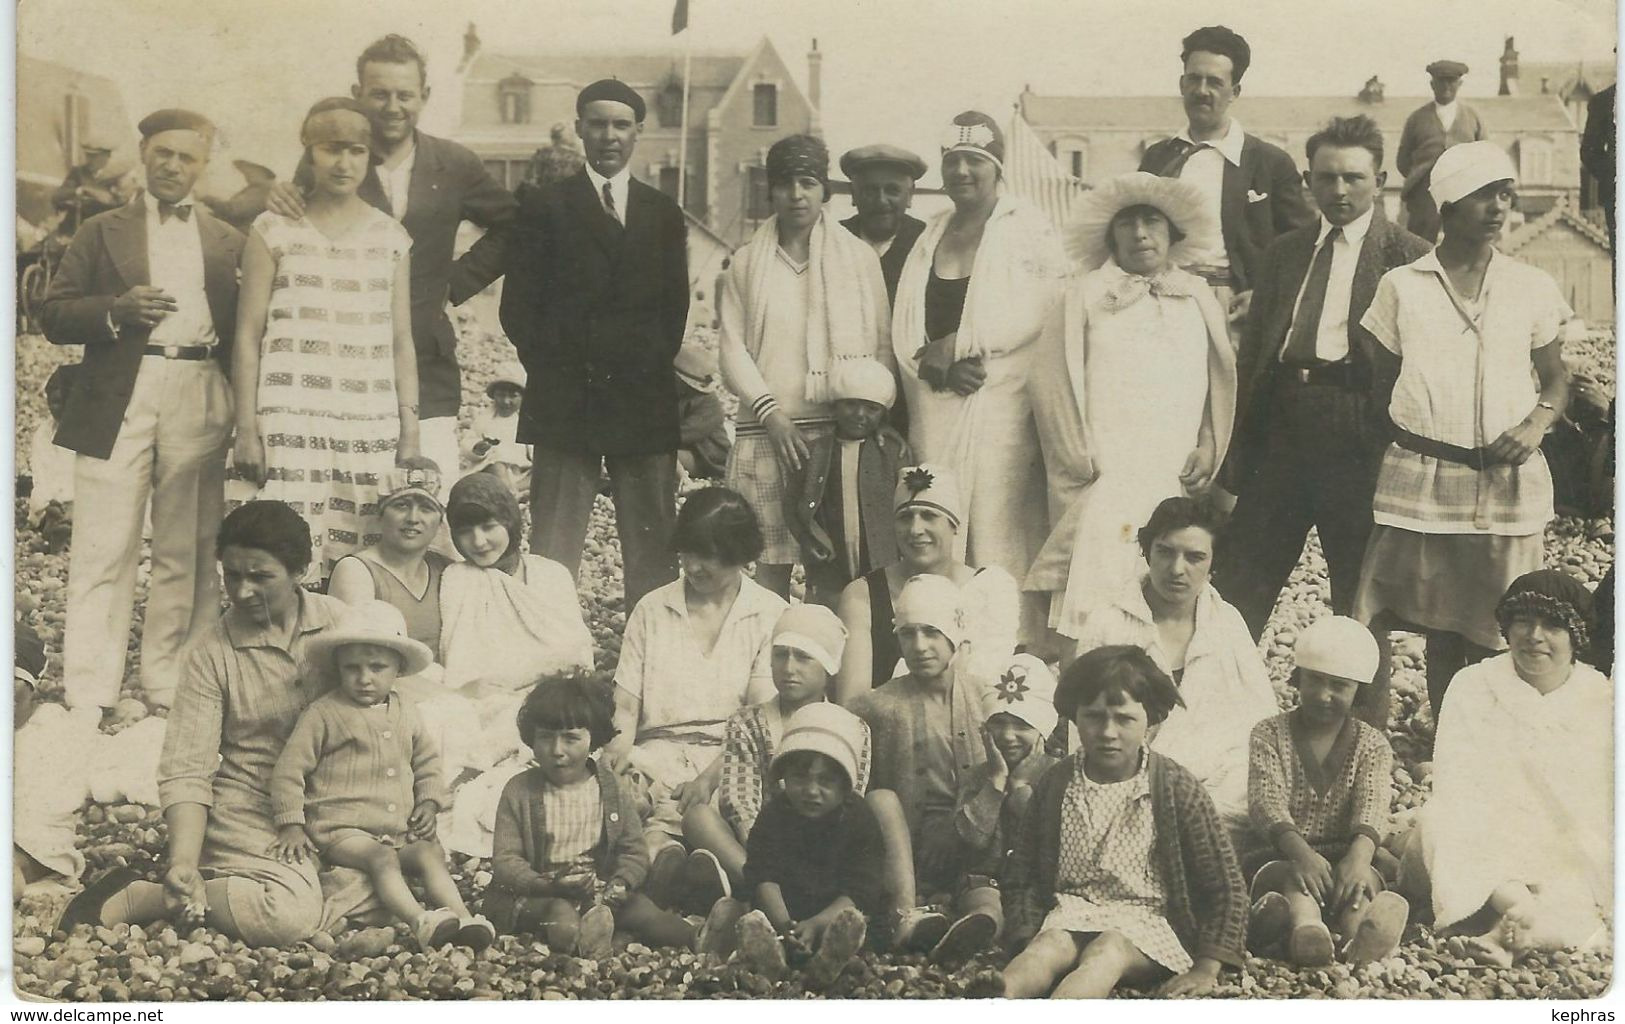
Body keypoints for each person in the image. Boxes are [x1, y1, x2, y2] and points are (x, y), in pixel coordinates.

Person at [59, 502, 375, 946]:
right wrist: (182, 863)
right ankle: (142, 896)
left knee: (404, 873)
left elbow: (386, 713)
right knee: (286, 919)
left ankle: (284, 888)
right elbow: (187, 768)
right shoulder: (212, 653)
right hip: (253, 803)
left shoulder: (342, 625)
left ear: (301, 570)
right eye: (232, 575)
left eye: (261, 577)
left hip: (338, 796)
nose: (242, 591)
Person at [1218, 116, 1433, 732]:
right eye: (1326, 178)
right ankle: (1217, 713)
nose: (1339, 191)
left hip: (1357, 430)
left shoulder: (1409, 259)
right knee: (1240, 583)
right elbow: (1256, 351)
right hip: (1283, 425)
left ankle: (1361, 736)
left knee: (1359, 594)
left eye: (1353, 178)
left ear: (1381, 181)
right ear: (1308, 180)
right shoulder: (1285, 253)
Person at [1352, 141, 1573, 721]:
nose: (1497, 207)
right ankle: (1443, 727)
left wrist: (1535, 423)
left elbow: (1555, 379)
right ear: (1446, 206)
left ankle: (1497, 731)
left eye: (1504, 194)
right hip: (1423, 480)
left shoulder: (1531, 285)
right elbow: (1381, 383)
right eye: (1482, 195)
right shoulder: (1402, 286)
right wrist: (1424, 434)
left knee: (1501, 617)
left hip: (1509, 482)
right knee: (1430, 615)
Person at [40, 107, 243, 714]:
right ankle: (89, 687)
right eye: (162, 154)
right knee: (104, 541)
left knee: (187, 543)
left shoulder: (226, 237)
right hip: (118, 387)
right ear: (144, 157)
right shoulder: (101, 229)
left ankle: (169, 679)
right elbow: (52, 314)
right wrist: (116, 308)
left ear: (203, 166)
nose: (172, 166)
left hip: (198, 383)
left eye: (186, 157)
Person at [262, 35, 516, 497]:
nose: (393, 107)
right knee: (345, 499)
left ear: (425, 97)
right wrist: (277, 194)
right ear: (358, 93)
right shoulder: (329, 160)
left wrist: (454, 282)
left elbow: (515, 225)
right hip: (339, 368)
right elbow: (288, 227)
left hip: (423, 356)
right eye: (380, 94)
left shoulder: (453, 163)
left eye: (405, 95)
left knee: (426, 494)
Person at [498, 78, 690, 615]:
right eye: (598, 124)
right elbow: (518, 311)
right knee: (554, 546)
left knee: (653, 546)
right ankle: (547, 644)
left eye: (621, 125)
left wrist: (636, 368)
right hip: (566, 397)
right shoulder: (545, 206)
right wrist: (562, 373)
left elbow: (673, 313)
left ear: (638, 133)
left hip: (641, 398)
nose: (609, 136)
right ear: (580, 128)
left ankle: (653, 650)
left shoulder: (661, 212)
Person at [1026, 171, 1235, 634]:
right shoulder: (1085, 295)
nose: (1140, 234)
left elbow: (1217, 381)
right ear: (1110, 234)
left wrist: (1208, 442)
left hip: (1171, 458)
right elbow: (1052, 381)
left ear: (1172, 231)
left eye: (1151, 222)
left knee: (1169, 564)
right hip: (1108, 461)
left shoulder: (1197, 296)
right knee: (1102, 572)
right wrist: (1077, 452)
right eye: (1127, 224)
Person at [892, 112, 1070, 643]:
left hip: (999, 403)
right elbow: (905, 321)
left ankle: (1008, 653)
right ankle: (935, 643)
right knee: (936, 517)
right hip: (937, 405)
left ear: (997, 168)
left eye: (976, 161)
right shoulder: (932, 233)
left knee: (997, 526)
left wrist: (968, 347)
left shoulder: (1027, 226)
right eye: (954, 162)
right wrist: (931, 361)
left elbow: (1046, 305)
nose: (964, 171)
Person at [230, 98, 419, 585]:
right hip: (289, 413)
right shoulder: (273, 229)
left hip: (366, 420)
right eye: (331, 149)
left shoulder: (391, 237)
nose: (344, 163)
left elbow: (401, 340)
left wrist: (409, 432)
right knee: (278, 554)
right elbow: (248, 334)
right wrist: (247, 428)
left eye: (357, 151)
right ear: (309, 152)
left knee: (359, 560)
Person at [1000, 646, 1248, 999]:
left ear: (1151, 719)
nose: (1108, 732)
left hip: (1148, 924)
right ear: (1074, 717)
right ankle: (998, 996)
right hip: (1070, 912)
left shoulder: (1175, 787)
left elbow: (1225, 885)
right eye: (1094, 717)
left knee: (1106, 953)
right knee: (1044, 950)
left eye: (1124, 718)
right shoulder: (1057, 784)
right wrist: (1026, 933)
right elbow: (1021, 873)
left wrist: (1208, 965)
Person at [1397, 571, 1611, 966]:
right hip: (1485, 833)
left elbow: (1599, 800)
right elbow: (1457, 784)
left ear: (1576, 637)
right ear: (1507, 627)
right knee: (1439, 822)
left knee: (1591, 868)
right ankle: (1519, 908)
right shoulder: (1474, 684)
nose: (1534, 635)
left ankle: (1504, 933)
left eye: (1552, 625)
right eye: (1524, 621)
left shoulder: (1600, 697)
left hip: (1560, 841)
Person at [719, 133, 892, 599]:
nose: (796, 195)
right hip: (766, 433)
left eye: (808, 183)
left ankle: (836, 668)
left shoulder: (856, 259)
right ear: (770, 191)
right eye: (784, 184)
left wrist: (866, 419)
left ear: (824, 192)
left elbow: (879, 347)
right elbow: (732, 348)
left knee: (835, 568)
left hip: (835, 435)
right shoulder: (745, 263)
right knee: (767, 570)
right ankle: (765, 666)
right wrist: (770, 414)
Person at [269, 600, 495, 951]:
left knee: (427, 851)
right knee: (381, 858)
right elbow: (289, 770)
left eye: (377, 668)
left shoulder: (405, 710)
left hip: (395, 828)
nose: (364, 678)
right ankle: (420, 920)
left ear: (398, 670)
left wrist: (430, 802)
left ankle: (463, 917)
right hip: (340, 828)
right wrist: (291, 823)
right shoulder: (324, 714)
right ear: (338, 669)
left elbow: (427, 762)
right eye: (352, 668)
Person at [605, 488, 786, 882]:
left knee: (731, 811)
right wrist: (616, 753)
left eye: (711, 557)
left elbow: (762, 720)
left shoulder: (769, 614)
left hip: (733, 757)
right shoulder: (652, 609)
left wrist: (708, 779)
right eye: (688, 553)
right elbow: (626, 707)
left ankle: (703, 870)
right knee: (632, 802)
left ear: (741, 555)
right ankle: (669, 862)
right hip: (657, 752)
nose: (695, 567)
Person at [1071, 498, 1278, 829]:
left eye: (1195, 557)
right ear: (1147, 551)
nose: (1177, 569)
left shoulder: (1226, 622)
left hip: (1218, 787)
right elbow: (1082, 723)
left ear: (1213, 564)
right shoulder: (1108, 622)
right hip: (1126, 781)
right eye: (1165, 551)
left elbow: (1261, 721)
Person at [485, 671, 723, 958]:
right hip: (540, 893)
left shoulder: (609, 789)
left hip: (598, 891)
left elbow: (633, 849)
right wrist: (546, 885)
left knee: (643, 909)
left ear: (594, 739)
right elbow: (506, 860)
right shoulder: (519, 791)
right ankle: (584, 943)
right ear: (531, 739)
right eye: (546, 738)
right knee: (559, 915)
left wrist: (622, 882)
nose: (557, 750)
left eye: (571, 739)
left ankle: (701, 938)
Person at [1244, 617, 1408, 967]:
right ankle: (1307, 930)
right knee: (1296, 886)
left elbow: (1373, 802)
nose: (1323, 694)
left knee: (1358, 891)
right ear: (1298, 678)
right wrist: (1300, 854)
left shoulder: (1371, 744)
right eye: (1315, 680)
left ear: (1358, 691)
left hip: (1347, 855)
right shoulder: (1269, 734)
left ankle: (1360, 939)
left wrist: (1359, 857)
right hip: (1287, 853)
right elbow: (1265, 800)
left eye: (1339, 686)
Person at [686, 603, 871, 900]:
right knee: (698, 817)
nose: (789, 668)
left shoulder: (851, 727)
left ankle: (747, 892)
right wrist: (763, 851)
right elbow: (740, 799)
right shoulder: (747, 722)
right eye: (781, 655)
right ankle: (758, 885)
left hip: (823, 849)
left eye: (803, 657)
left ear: (828, 667)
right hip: (760, 847)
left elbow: (849, 798)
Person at [1138, 26, 1315, 335]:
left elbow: (1303, 246)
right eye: (1194, 79)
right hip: (1159, 303)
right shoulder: (1157, 158)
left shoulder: (1269, 162)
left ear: (1234, 92)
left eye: (1215, 82)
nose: (1202, 90)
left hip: (1232, 306)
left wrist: (1264, 296)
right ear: (1182, 84)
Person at [850, 574, 991, 954]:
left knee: (984, 891)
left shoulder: (986, 699)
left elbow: (999, 777)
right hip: (903, 846)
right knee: (881, 799)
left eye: (931, 631)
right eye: (908, 634)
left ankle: (976, 921)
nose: (920, 646)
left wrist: (956, 827)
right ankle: (905, 913)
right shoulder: (875, 706)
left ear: (954, 634)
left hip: (971, 837)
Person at [833, 464, 1019, 702]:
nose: (915, 529)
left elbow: (991, 693)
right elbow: (853, 702)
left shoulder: (990, 590)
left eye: (929, 516)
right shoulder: (863, 594)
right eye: (905, 517)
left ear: (955, 525)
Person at [732, 703, 882, 990]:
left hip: (836, 913)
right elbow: (764, 875)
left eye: (825, 781)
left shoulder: (859, 819)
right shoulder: (774, 815)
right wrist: (787, 925)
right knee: (749, 921)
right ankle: (775, 957)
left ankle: (829, 960)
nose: (812, 790)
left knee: (854, 926)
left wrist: (816, 925)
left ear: (845, 785)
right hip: (786, 913)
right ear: (785, 776)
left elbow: (862, 887)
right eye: (800, 777)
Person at [939, 654, 1063, 967]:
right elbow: (971, 839)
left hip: (1038, 882)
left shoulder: (1058, 774)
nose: (1007, 736)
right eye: (998, 724)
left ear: (1042, 729)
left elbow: (1051, 843)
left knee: (1037, 910)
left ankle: (1021, 940)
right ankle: (980, 927)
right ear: (985, 730)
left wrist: (1020, 786)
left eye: (1021, 725)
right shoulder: (979, 776)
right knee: (984, 900)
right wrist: (996, 782)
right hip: (985, 878)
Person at [783, 358, 913, 607]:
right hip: (832, 559)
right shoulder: (816, 452)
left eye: (871, 408)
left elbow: (908, 502)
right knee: (833, 608)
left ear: (883, 415)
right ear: (834, 406)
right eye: (850, 405)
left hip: (882, 556)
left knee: (881, 606)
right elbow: (792, 503)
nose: (859, 415)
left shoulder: (892, 452)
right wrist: (808, 538)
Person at [326, 459, 450, 659]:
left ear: (439, 522)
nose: (412, 518)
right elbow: (362, 663)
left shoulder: (444, 569)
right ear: (380, 515)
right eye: (401, 505)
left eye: (426, 508)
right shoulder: (357, 570)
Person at [1396, 60, 1487, 244]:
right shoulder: (1417, 118)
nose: (1446, 86)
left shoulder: (1472, 117)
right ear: (1432, 84)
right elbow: (1403, 159)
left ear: (1459, 84)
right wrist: (1421, 178)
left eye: (1451, 81)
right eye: (1441, 81)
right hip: (1425, 191)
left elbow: (1485, 155)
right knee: (1419, 242)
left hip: (1463, 189)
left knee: (1464, 238)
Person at [839, 143, 929, 305]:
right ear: (853, 194)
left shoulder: (927, 242)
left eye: (892, 190)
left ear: (909, 195)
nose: (881, 201)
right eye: (870, 190)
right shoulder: (835, 239)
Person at [25, 363, 79, 547]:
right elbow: (41, 476)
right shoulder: (45, 432)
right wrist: (50, 503)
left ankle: (63, 525)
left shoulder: (90, 430)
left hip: (82, 498)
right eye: (51, 402)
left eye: (60, 402)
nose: (54, 408)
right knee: (39, 501)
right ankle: (56, 522)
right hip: (55, 499)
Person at [465, 362, 532, 496]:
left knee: (543, 473)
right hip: (492, 469)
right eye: (501, 395)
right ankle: (508, 492)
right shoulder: (486, 418)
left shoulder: (526, 420)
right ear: (494, 396)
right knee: (496, 466)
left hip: (520, 472)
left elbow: (534, 450)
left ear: (523, 397)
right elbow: (468, 441)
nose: (506, 401)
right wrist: (477, 448)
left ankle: (513, 490)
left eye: (513, 396)